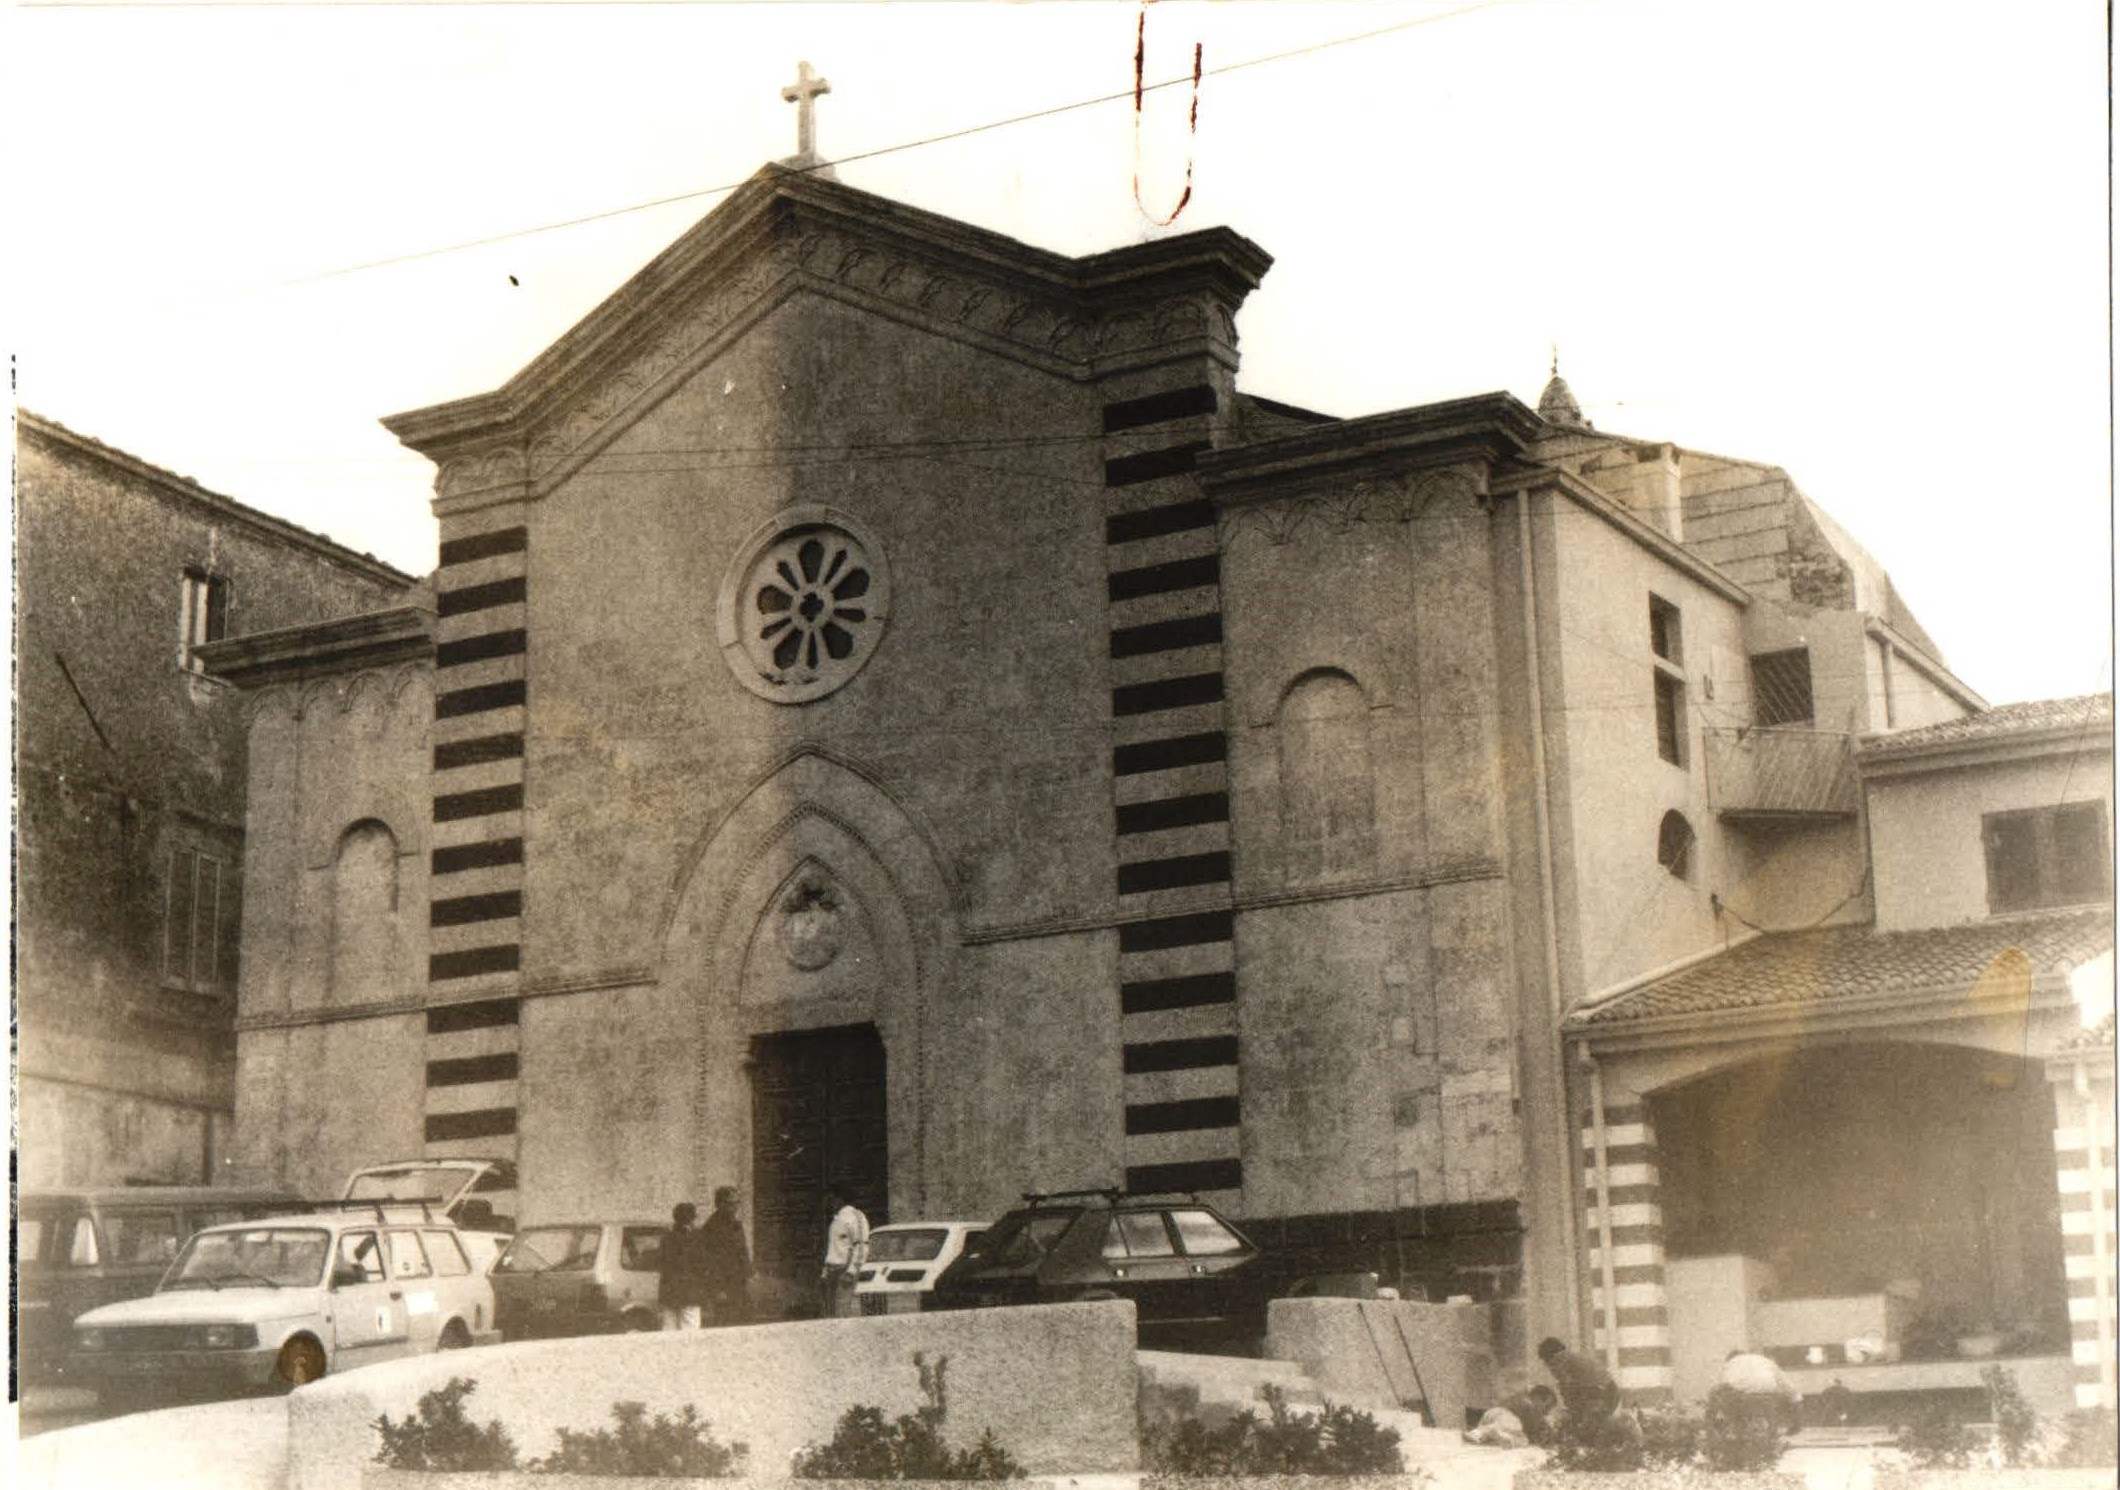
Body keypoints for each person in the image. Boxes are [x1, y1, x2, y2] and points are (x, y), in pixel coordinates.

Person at [1538, 1337, 1636, 1448]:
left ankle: (1616, 1436)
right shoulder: (1573, 1358)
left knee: (1587, 1430)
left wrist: (1571, 1413)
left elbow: (1568, 1389)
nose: (1549, 1368)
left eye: (1547, 1363)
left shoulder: (1562, 1361)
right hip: (1608, 1391)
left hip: (1598, 1395)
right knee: (1590, 1427)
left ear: (1551, 1358)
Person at [697, 1186, 751, 1326]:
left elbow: (742, 1251)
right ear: (720, 1204)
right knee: (725, 1325)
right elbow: (708, 1261)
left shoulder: (736, 1225)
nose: (735, 1208)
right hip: (723, 1288)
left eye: (737, 1203)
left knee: (742, 1324)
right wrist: (717, 1289)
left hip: (739, 1284)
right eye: (731, 1203)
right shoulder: (711, 1228)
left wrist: (748, 1273)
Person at [1718, 1348, 1803, 1433]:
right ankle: (1772, 1433)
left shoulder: (1730, 1364)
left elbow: (1721, 1386)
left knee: (1729, 1402)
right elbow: (1790, 1389)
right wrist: (1797, 1423)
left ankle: (1735, 1430)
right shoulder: (1765, 1361)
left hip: (1738, 1397)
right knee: (1771, 1406)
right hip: (1765, 1395)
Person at [818, 1182, 870, 1319]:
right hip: (832, 1271)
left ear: (839, 1198)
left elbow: (861, 1246)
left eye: (831, 1197)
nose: (829, 1201)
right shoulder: (836, 1219)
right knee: (830, 1314)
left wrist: (851, 1271)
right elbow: (833, 1248)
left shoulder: (856, 1217)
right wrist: (825, 1272)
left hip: (844, 1271)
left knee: (842, 1311)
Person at [658, 1202, 706, 1330]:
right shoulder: (696, 1238)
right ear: (691, 1219)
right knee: (690, 1330)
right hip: (690, 1293)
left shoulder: (666, 1238)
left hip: (669, 1292)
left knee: (669, 1329)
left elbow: (661, 1263)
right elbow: (701, 1265)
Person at [1463, 1384, 1557, 1448]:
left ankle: (1498, 1437)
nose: (1546, 1412)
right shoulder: (1528, 1405)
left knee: (1523, 1439)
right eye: (1547, 1407)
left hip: (1493, 1417)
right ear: (1537, 1398)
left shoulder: (1523, 1400)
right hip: (1503, 1415)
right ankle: (1478, 1433)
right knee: (1515, 1425)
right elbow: (1536, 1424)